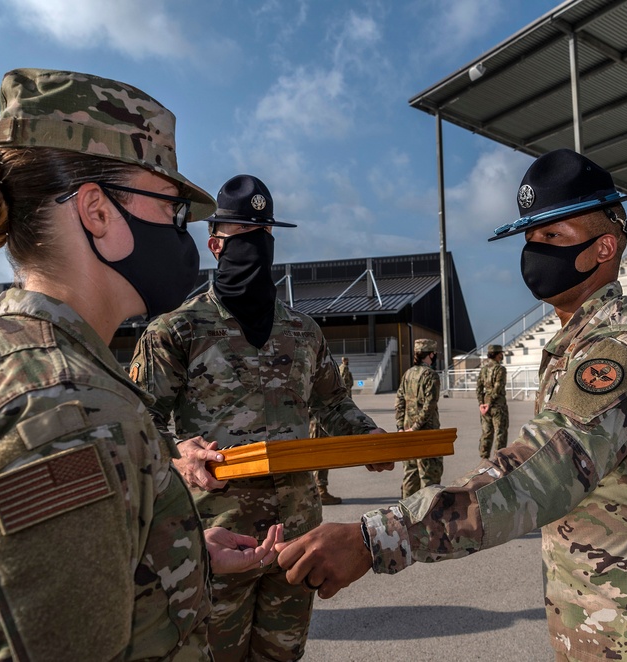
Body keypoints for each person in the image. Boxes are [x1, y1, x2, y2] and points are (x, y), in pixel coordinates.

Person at [0, 68, 281, 661]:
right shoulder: (69, 412)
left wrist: (173, 552)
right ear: (96, 212)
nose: (182, 231)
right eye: (171, 208)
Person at [276, 148, 627, 661]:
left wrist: (375, 538)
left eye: (552, 237)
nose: (533, 251)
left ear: (604, 246)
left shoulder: (623, 347)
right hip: (603, 625)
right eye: (529, 239)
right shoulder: (577, 341)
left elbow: (543, 471)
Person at [129, 173, 385, 661]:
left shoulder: (303, 330)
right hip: (218, 535)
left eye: (261, 236)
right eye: (240, 237)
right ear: (215, 244)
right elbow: (139, 420)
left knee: (282, 655)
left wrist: (369, 437)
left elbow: (332, 402)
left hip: (297, 531)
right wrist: (178, 453)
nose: (253, 246)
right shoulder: (176, 331)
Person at [396, 338, 443, 498]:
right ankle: (428, 517)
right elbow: (429, 406)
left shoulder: (407, 374)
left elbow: (399, 401)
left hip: (407, 433)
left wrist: (401, 428)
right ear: (430, 354)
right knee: (429, 476)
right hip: (425, 433)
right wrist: (415, 428)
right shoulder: (431, 375)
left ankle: (407, 516)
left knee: (410, 474)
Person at [312, 357, 353, 505]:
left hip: (317, 416)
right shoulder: (337, 369)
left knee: (320, 454)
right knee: (321, 454)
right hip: (318, 419)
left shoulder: (341, 369)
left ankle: (319, 489)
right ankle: (321, 491)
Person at [476, 343, 508, 460]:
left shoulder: (483, 369)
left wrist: (481, 404)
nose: (502, 356)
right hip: (497, 406)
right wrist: (489, 403)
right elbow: (498, 387)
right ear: (498, 355)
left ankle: (484, 459)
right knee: (500, 432)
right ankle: (498, 459)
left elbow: (479, 388)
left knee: (486, 432)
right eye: (501, 354)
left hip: (485, 406)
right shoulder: (500, 369)